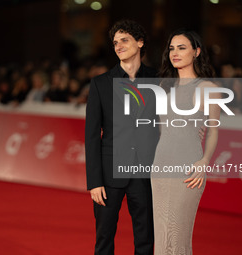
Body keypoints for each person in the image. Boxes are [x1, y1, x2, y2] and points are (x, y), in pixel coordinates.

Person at [85, 20, 159, 255]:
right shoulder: (100, 83)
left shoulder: (159, 80)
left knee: (146, 240)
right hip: (108, 175)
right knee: (104, 239)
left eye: (124, 40)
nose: (118, 46)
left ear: (140, 42)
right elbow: (91, 135)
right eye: (115, 42)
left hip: (145, 174)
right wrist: (94, 181)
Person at [151, 29, 220, 254]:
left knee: (178, 238)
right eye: (171, 48)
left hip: (189, 168)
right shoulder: (164, 87)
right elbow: (163, 129)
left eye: (182, 48)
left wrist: (205, 161)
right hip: (160, 166)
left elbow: (213, 132)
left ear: (196, 51)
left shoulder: (208, 89)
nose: (175, 53)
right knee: (161, 238)